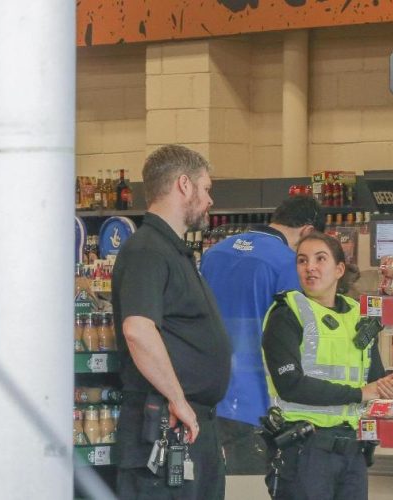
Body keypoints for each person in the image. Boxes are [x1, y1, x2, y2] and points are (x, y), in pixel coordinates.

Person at [111, 145, 231, 499]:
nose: (210, 200)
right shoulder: (147, 250)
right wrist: (178, 399)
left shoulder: (172, 251)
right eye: (206, 188)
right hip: (164, 427)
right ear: (184, 185)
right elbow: (138, 329)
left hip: (191, 426)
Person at [261, 232, 393, 500]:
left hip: (352, 450)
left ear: (339, 269)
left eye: (320, 259)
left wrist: (387, 387)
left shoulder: (358, 314)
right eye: (302, 260)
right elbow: (291, 385)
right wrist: (361, 393)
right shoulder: (286, 313)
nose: (310, 267)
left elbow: (373, 377)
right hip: (305, 450)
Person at [200, 196, 326, 474]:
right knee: (254, 486)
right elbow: (300, 340)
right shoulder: (289, 264)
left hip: (209, 397)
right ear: (307, 231)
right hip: (259, 404)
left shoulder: (214, 253)